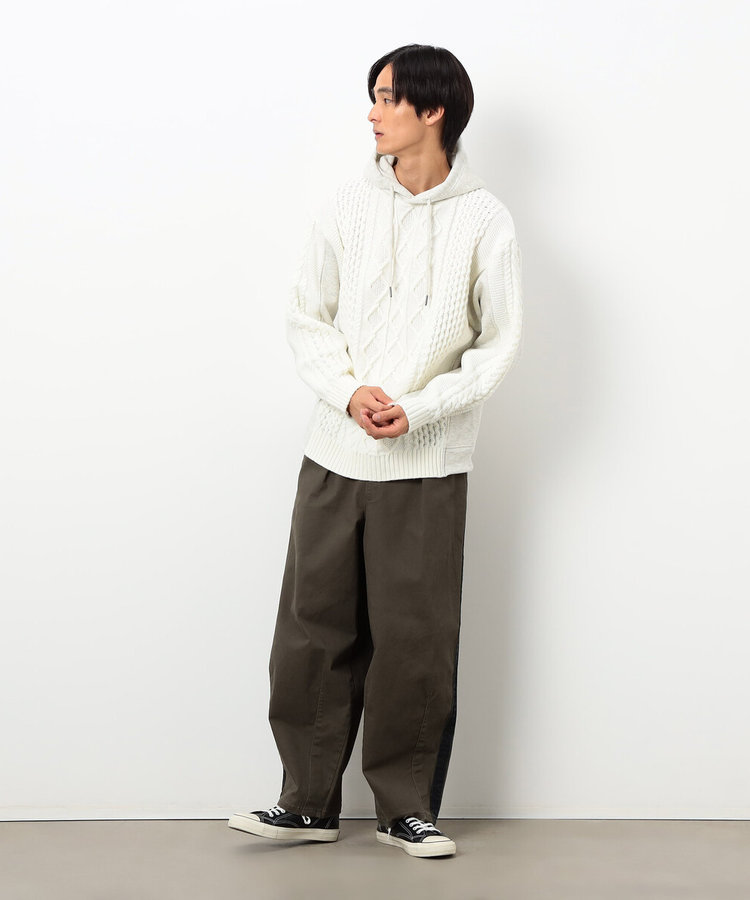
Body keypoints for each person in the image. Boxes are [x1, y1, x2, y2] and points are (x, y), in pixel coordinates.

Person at [228, 44, 523, 859]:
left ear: (433, 110)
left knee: (414, 638)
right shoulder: (345, 206)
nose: (373, 112)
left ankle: (405, 809)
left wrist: (418, 409)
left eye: (388, 97)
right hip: (334, 451)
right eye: (375, 96)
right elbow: (307, 315)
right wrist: (348, 391)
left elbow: (497, 345)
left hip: (428, 464)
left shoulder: (486, 220)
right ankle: (306, 802)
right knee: (310, 630)